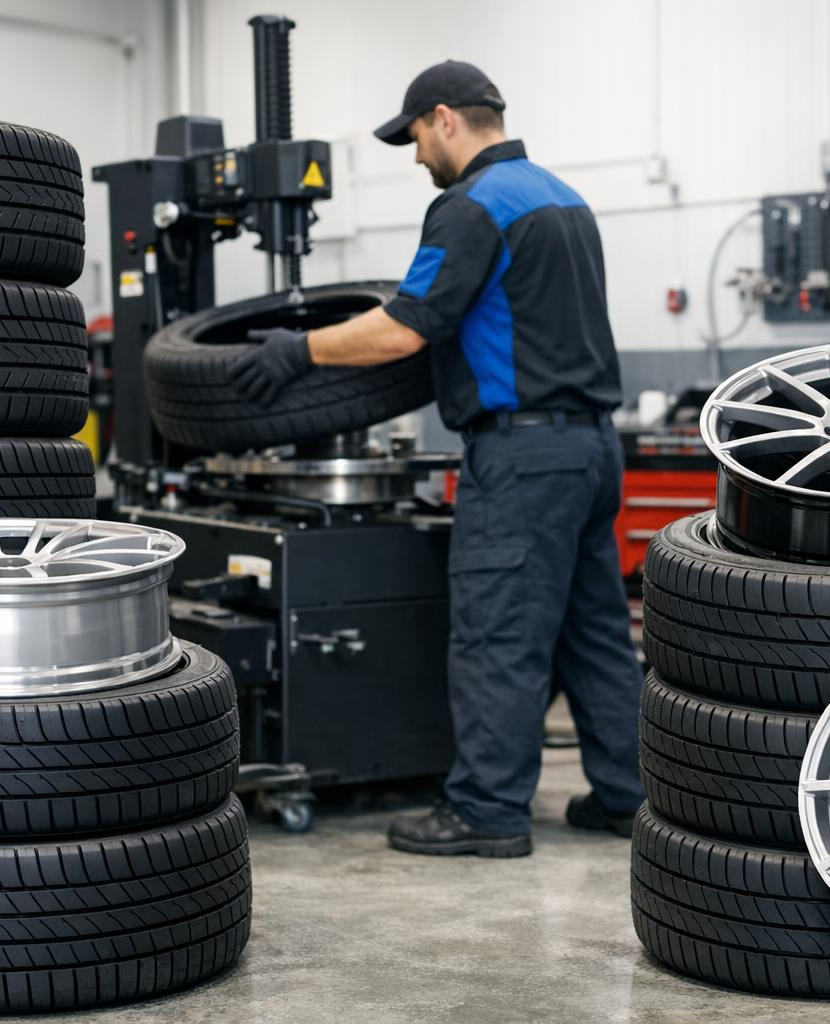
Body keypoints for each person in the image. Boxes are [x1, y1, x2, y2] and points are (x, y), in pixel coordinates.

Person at [230, 60, 644, 858]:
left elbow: (405, 328)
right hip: (592, 450)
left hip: (522, 458)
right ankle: (629, 795)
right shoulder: (561, 196)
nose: (417, 156)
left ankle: (487, 809)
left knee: (498, 634)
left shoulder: (470, 207)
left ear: (445, 117)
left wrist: (299, 350)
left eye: (415, 136)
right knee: (592, 632)